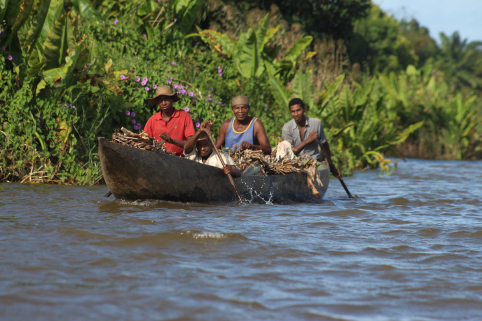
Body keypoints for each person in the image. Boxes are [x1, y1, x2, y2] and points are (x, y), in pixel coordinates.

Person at [280, 98, 342, 178]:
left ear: (304, 109)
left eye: (298, 110)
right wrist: (307, 141)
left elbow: (324, 145)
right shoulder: (287, 127)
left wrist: (332, 167)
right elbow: (289, 152)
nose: (296, 114)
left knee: (319, 167)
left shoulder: (316, 123)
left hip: (314, 164)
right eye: (293, 112)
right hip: (295, 165)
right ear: (290, 112)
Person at [144, 85, 195, 156]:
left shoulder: (184, 116)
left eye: (166, 99)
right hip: (158, 159)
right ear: (157, 102)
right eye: (160, 100)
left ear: (172, 99)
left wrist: (172, 141)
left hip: (181, 159)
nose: (163, 103)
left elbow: (191, 143)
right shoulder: (152, 120)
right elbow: (145, 142)